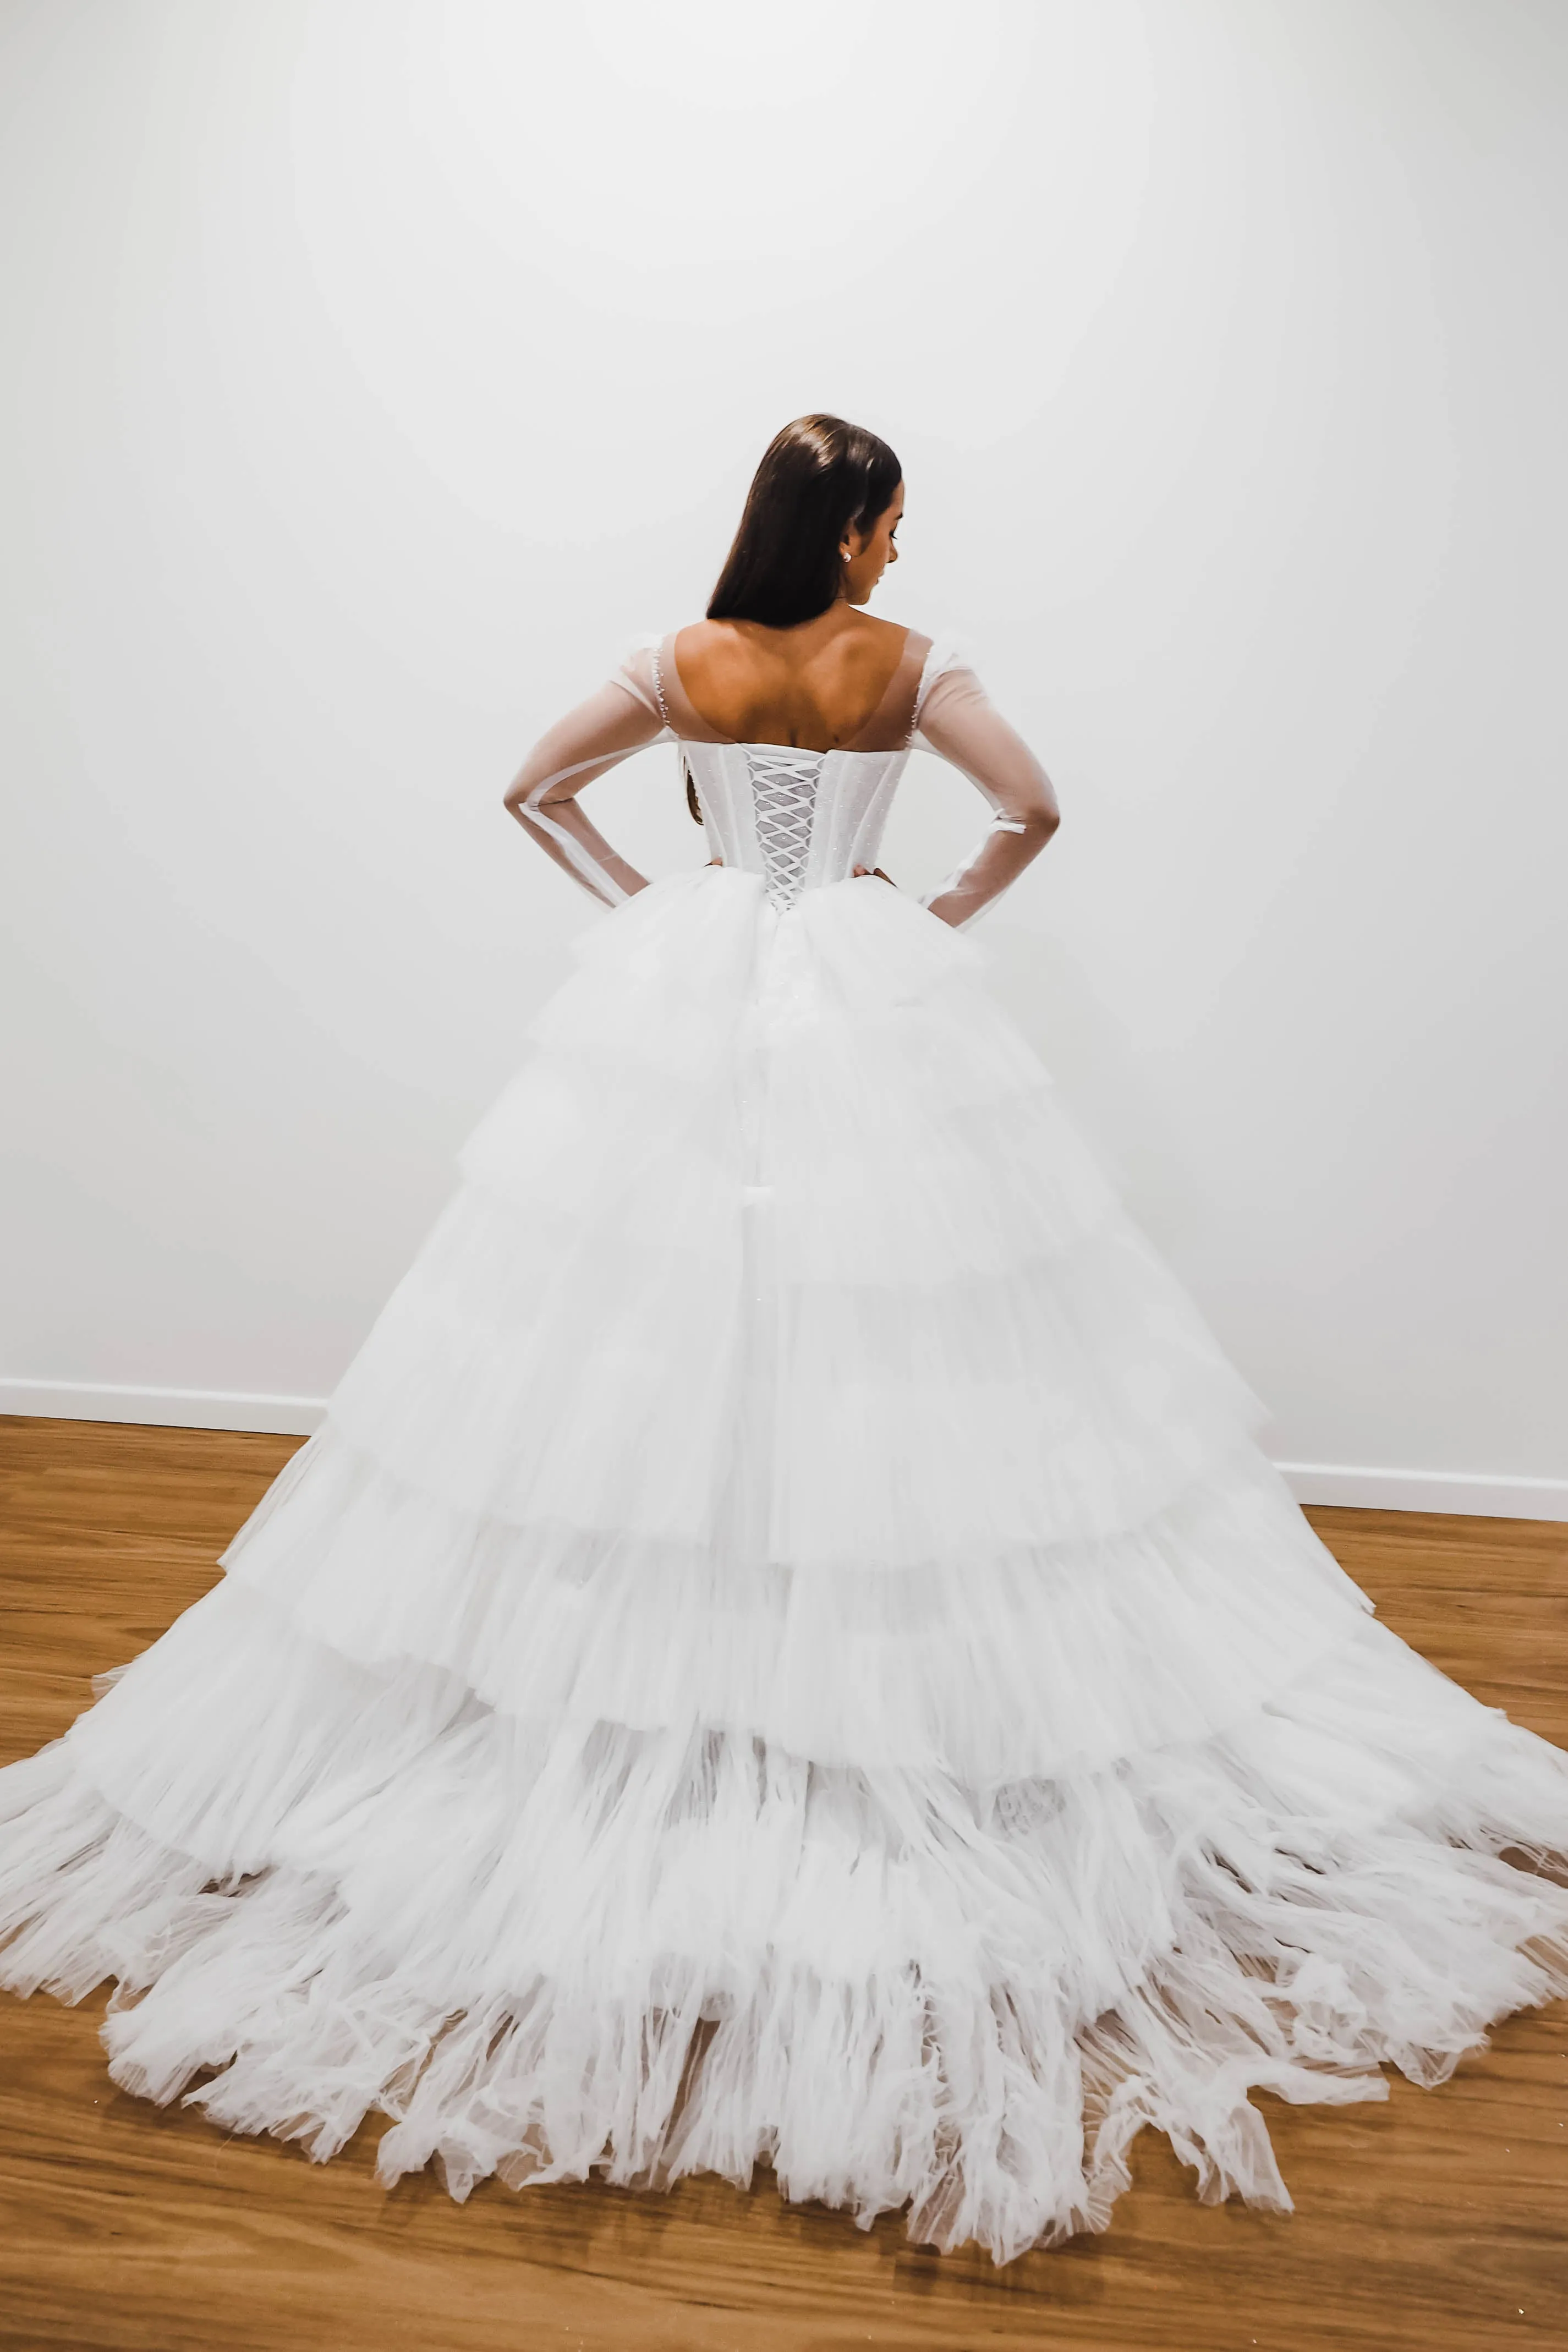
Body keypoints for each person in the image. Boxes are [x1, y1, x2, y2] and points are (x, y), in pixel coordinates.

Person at [2, 415, 1565, 2267]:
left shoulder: (683, 660)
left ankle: (678, 1633)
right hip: (866, 993)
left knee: (624, 1340)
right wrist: (932, 912)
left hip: (696, 982)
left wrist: (657, 914)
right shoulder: (907, 664)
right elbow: (1034, 808)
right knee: (907, 1338)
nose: (903, 551)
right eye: (898, 522)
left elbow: (530, 793)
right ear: (860, 530)